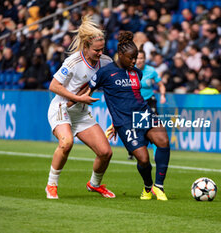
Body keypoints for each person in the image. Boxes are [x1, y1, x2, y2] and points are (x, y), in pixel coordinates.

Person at [89, 31, 171, 201]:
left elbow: (131, 97)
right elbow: (87, 91)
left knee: (163, 140)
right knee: (143, 159)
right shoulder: (105, 73)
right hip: (125, 122)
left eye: (136, 58)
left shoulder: (136, 73)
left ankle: (159, 186)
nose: (134, 62)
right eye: (131, 58)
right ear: (120, 55)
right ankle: (148, 187)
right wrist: (71, 103)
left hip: (143, 113)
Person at [45, 15, 115, 199]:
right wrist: (78, 98)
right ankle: (51, 185)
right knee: (66, 143)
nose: (100, 53)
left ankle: (94, 185)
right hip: (61, 108)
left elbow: (112, 90)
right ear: (86, 47)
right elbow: (53, 86)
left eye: (102, 49)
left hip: (81, 113)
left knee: (106, 152)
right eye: (96, 50)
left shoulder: (106, 63)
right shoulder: (73, 62)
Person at [125, 46, 166, 160]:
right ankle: (133, 150)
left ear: (145, 59)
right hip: (135, 103)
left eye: (142, 58)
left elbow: (161, 84)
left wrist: (162, 95)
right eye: (138, 58)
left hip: (149, 101)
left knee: (155, 126)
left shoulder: (151, 71)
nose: (140, 60)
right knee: (136, 129)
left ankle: (156, 154)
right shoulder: (129, 71)